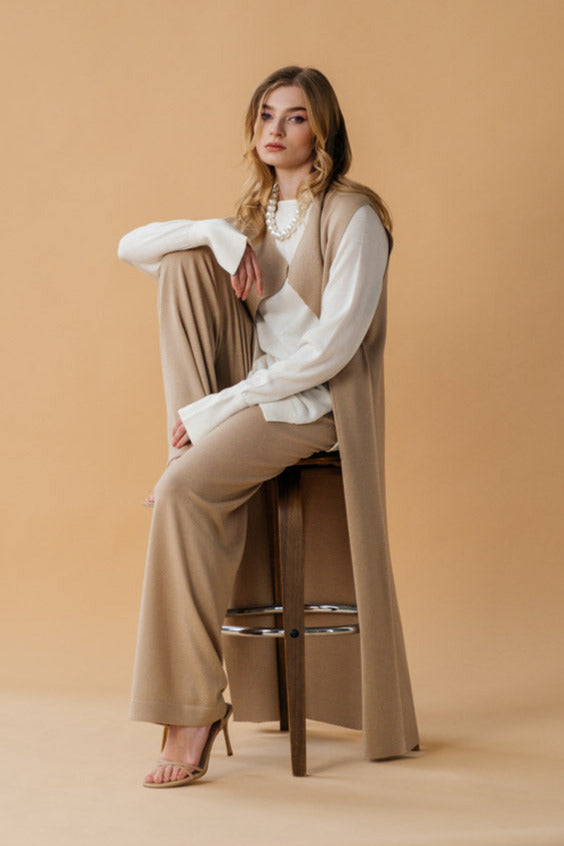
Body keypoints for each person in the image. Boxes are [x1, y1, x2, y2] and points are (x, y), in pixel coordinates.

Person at [118, 65, 420, 788]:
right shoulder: (252, 220)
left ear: (323, 129)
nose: (275, 130)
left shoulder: (355, 217)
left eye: (294, 117)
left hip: (313, 407)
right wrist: (216, 235)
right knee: (189, 264)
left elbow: (332, 350)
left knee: (186, 495)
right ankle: (192, 700)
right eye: (265, 115)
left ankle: (190, 711)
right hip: (250, 399)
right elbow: (133, 247)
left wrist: (220, 408)